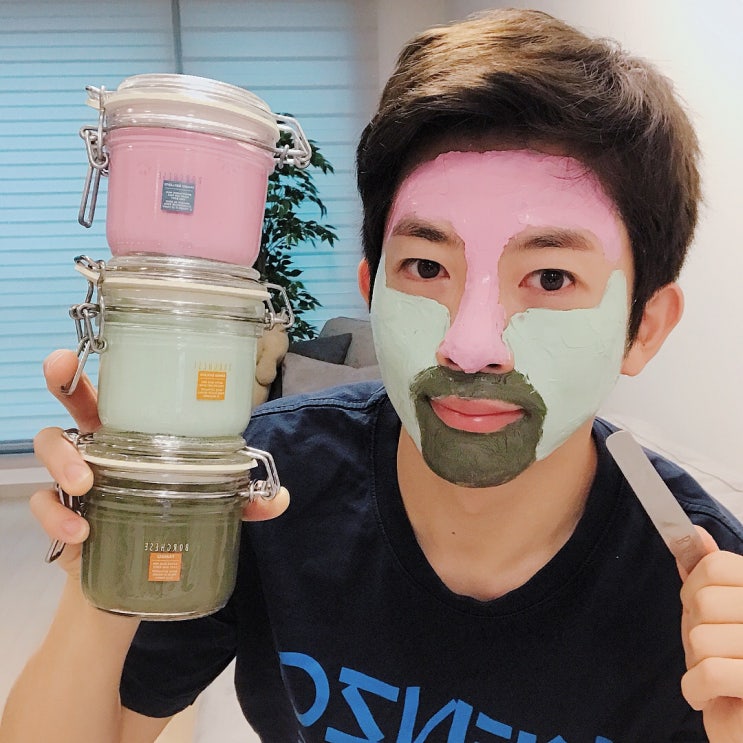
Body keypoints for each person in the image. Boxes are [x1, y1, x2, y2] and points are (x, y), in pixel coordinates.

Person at [2, 8, 743, 742]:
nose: (470, 347)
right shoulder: (264, 484)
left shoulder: (705, 591)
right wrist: (105, 568)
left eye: (550, 278)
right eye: (425, 267)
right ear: (372, 290)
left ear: (644, 327)